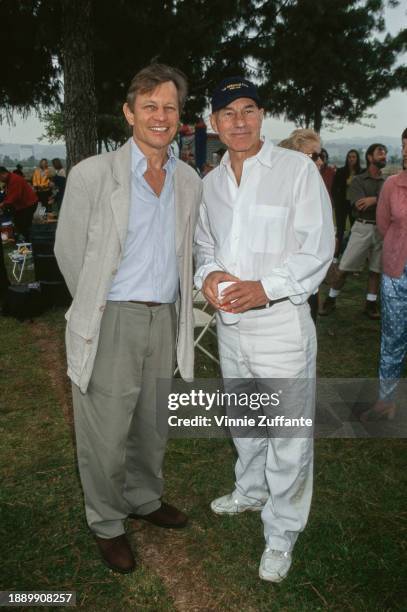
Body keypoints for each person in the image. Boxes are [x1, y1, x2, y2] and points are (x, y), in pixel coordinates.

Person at [55, 63, 202, 574]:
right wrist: (101, 305)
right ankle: (107, 522)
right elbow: (70, 253)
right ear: (128, 113)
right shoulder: (92, 175)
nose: (160, 117)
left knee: (152, 423)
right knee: (105, 430)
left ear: (180, 117)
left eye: (170, 107)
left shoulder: (187, 180)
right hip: (112, 317)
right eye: (149, 106)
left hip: (164, 318)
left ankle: (143, 497)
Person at [194, 76, 334, 583]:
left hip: (280, 326)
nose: (238, 121)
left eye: (248, 110)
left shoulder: (295, 170)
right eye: (227, 113)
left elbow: (317, 248)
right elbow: (205, 246)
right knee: (246, 422)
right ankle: (250, 492)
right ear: (213, 123)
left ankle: (282, 532)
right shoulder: (210, 182)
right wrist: (207, 274)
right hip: (231, 326)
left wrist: (266, 287)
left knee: (289, 436)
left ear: (262, 115)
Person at [361, 129, 407, 421]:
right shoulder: (392, 184)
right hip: (396, 272)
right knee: (392, 338)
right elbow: (383, 225)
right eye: (405, 146)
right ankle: (385, 401)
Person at [320, 143, 387, 319]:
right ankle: (331, 299)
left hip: (381, 229)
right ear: (370, 157)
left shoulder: (387, 182)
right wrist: (380, 201)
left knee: (375, 270)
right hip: (362, 227)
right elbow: (359, 205)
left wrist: (375, 199)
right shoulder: (358, 180)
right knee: (344, 267)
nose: (384, 156)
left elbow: (389, 205)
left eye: (385, 153)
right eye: (380, 152)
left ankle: (370, 304)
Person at [278, 128, 328, 323]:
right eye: (314, 156)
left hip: (307, 285)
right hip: (283, 285)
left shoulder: (315, 188)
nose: (321, 161)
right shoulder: (280, 191)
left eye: (321, 155)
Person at [331, 149, 362, 261]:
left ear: (357, 158)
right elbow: (334, 188)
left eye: (354, 157)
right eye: (349, 157)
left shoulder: (361, 173)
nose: (351, 159)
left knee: (354, 230)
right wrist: (336, 201)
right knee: (340, 229)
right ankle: (336, 255)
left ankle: (351, 256)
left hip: (354, 205)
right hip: (342, 204)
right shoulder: (341, 171)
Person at [0, 166, 38, 242]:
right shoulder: (10, 179)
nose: (0, 180)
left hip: (28, 204)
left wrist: (3, 204)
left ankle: (28, 242)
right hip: (23, 205)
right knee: (19, 223)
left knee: (24, 225)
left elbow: (15, 196)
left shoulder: (14, 180)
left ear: (3, 174)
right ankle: (24, 240)